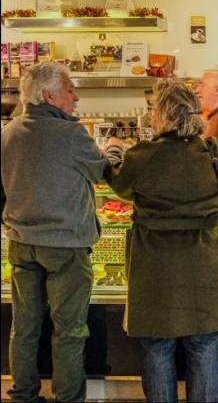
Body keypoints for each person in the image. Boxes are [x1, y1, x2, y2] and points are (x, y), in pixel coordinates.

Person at [105, 80, 218, 402]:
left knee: (156, 345)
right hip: (203, 265)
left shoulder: (142, 156)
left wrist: (112, 151)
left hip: (155, 269)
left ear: (161, 115)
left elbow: (118, 184)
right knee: (204, 343)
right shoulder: (212, 153)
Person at [1, 62, 111, 402]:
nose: (75, 98)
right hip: (65, 245)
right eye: (70, 90)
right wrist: (115, 149)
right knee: (70, 330)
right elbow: (103, 171)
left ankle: (22, 394)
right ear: (50, 96)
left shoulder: (10, 131)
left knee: (25, 327)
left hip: (21, 243)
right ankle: (68, 397)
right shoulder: (70, 134)